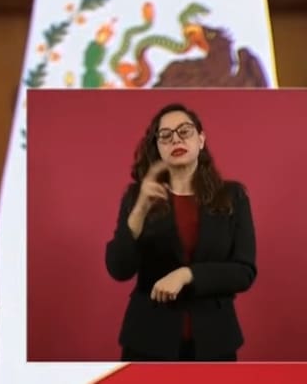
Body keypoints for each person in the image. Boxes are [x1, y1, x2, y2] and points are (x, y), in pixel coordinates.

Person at [105, 102, 256, 362]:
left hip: (214, 341)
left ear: (201, 139)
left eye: (184, 131)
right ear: (158, 148)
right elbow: (119, 269)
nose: (176, 139)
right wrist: (139, 210)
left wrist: (188, 275)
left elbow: (244, 272)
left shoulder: (233, 196)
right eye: (165, 135)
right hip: (148, 341)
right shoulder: (138, 196)